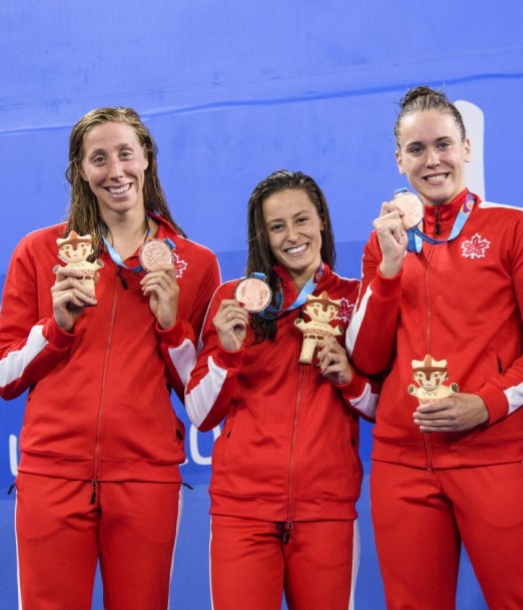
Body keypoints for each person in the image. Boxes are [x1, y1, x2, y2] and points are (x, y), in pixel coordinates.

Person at [0, 107, 220, 610]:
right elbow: (0, 373)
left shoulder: (194, 263)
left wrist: (172, 325)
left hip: (145, 478)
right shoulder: (39, 251)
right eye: (99, 159)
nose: (115, 171)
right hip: (52, 475)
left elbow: (203, 400)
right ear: (80, 171)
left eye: (125, 154)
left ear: (147, 159)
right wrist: (57, 328)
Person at [346, 86, 523, 609]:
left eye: (443, 144)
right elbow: (368, 359)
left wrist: (487, 403)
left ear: (467, 149)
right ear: (399, 160)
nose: (432, 160)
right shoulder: (383, 240)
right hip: (401, 463)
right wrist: (390, 269)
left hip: (493, 455)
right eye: (416, 149)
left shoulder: (514, 227)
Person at [185, 169, 377, 610]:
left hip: (325, 510)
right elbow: (200, 413)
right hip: (242, 511)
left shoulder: (356, 299)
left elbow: (386, 406)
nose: (293, 236)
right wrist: (227, 355)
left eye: (302, 220)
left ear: (322, 221)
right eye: (277, 226)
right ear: (263, 236)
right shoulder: (234, 299)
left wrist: (351, 381)